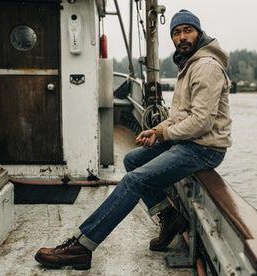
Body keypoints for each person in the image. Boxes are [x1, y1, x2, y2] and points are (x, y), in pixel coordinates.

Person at [34, 9, 232, 270]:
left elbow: (202, 123)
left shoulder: (205, 67)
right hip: (190, 141)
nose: (182, 37)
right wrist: (158, 129)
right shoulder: (190, 63)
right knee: (133, 159)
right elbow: (180, 115)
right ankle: (169, 216)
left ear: (199, 33)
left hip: (205, 147)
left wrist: (163, 134)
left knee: (133, 181)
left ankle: (82, 247)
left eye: (187, 30)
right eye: (176, 32)